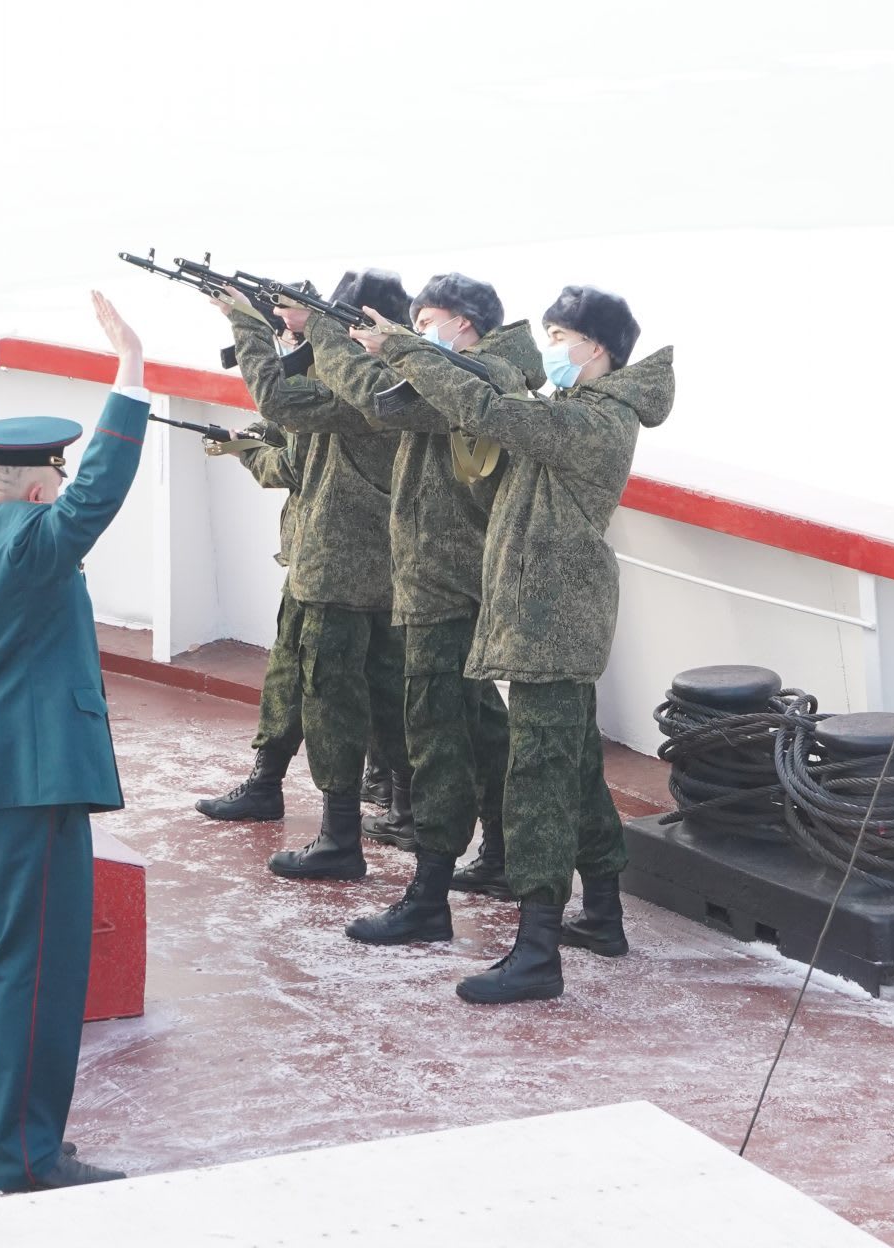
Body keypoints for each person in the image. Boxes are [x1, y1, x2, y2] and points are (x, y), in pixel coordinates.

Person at [351, 285, 675, 1003]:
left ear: (597, 347)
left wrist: (401, 349)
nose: (550, 347)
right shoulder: (574, 409)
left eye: (560, 336)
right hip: (544, 613)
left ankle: (536, 951)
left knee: (538, 781)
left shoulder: (597, 421)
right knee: (571, 766)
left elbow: (489, 410)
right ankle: (602, 915)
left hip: (554, 619)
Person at [0, 291, 147, 1190]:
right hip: (31, 791)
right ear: (42, 486)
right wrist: (131, 372)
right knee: (39, 974)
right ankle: (25, 1157)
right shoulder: (31, 540)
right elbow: (99, 495)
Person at [300, 273, 541, 947]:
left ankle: (429, 897)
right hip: (447, 582)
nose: (419, 330)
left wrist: (324, 330)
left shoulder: (480, 377)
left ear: (464, 323)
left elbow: (376, 398)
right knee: (479, 728)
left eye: (428, 320)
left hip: (446, 587)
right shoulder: (469, 370)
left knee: (438, 740)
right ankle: (499, 855)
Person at [220, 273, 409, 881]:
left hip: (341, 568)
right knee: (317, 679)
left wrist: (248, 323)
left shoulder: (369, 387)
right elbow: (296, 458)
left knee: (333, 700)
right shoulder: (365, 378)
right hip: (339, 561)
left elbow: (278, 401)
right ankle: (279, 786)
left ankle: (340, 838)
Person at [195, 416, 309, 822]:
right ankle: (388, 787)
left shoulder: (337, 390)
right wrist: (259, 433)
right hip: (373, 560)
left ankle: (265, 784)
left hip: (325, 566)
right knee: (376, 672)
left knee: (289, 672)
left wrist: (246, 451)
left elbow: (295, 465)